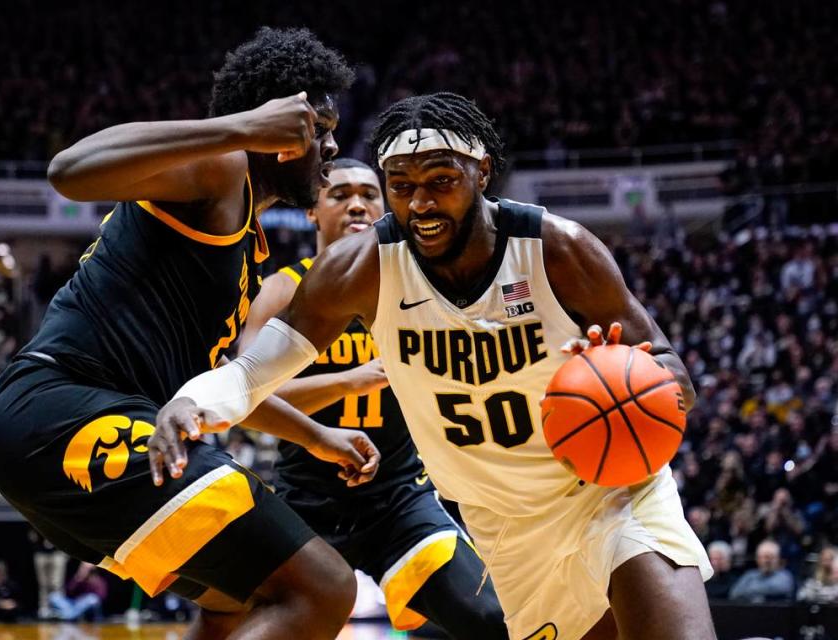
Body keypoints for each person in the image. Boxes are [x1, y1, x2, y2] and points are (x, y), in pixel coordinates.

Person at [151, 92, 716, 640]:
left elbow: (674, 375)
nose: (420, 203)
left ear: (482, 171)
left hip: (609, 491)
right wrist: (192, 401)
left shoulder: (557, 249)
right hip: (506, 527)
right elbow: (253, 373)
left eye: (441, 182)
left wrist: (628, 374)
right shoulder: (360, 268)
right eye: (402, 187)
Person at [0, 28, 382, 640]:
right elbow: (69, 170)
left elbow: (225, 388)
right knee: (325, 587)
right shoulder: (221, 171)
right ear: (275, 128)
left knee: (236, 600)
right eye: (317, 129)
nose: (329, 148)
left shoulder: (246, 241)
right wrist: (240, 128)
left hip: (77, 427)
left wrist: (316, 434)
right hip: (60, 410)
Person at [186, 158, 506, 637]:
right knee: (226, 620)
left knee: (488, 618)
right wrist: (351, 380)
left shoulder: (421, 288)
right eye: (339, 195)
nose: (357, 204)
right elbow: (245, 399)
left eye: (369, 194)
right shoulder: (280, 290)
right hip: (304, 500)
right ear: (312, 212)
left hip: (399, 498)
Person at [729, 540, 795, 602]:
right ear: (758, 559)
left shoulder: (785, 576)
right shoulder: (750, 575)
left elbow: (781, 589)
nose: (767, 561)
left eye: (771, 557)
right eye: (765, 557)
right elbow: (734, 593)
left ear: (778, 559)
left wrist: (750, 590)